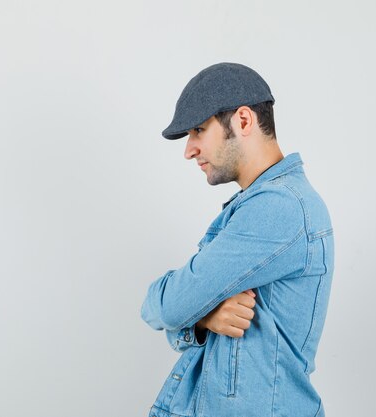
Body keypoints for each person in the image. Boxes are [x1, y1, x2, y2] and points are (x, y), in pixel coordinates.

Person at [140, 62, 335, 417]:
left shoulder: (279, 207)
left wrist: (188, 311)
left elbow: (167, 306)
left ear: (243, 121)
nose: (189, 149)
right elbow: (159, 310)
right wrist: (202, 318)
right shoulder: (265, 204)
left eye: (199, 130)